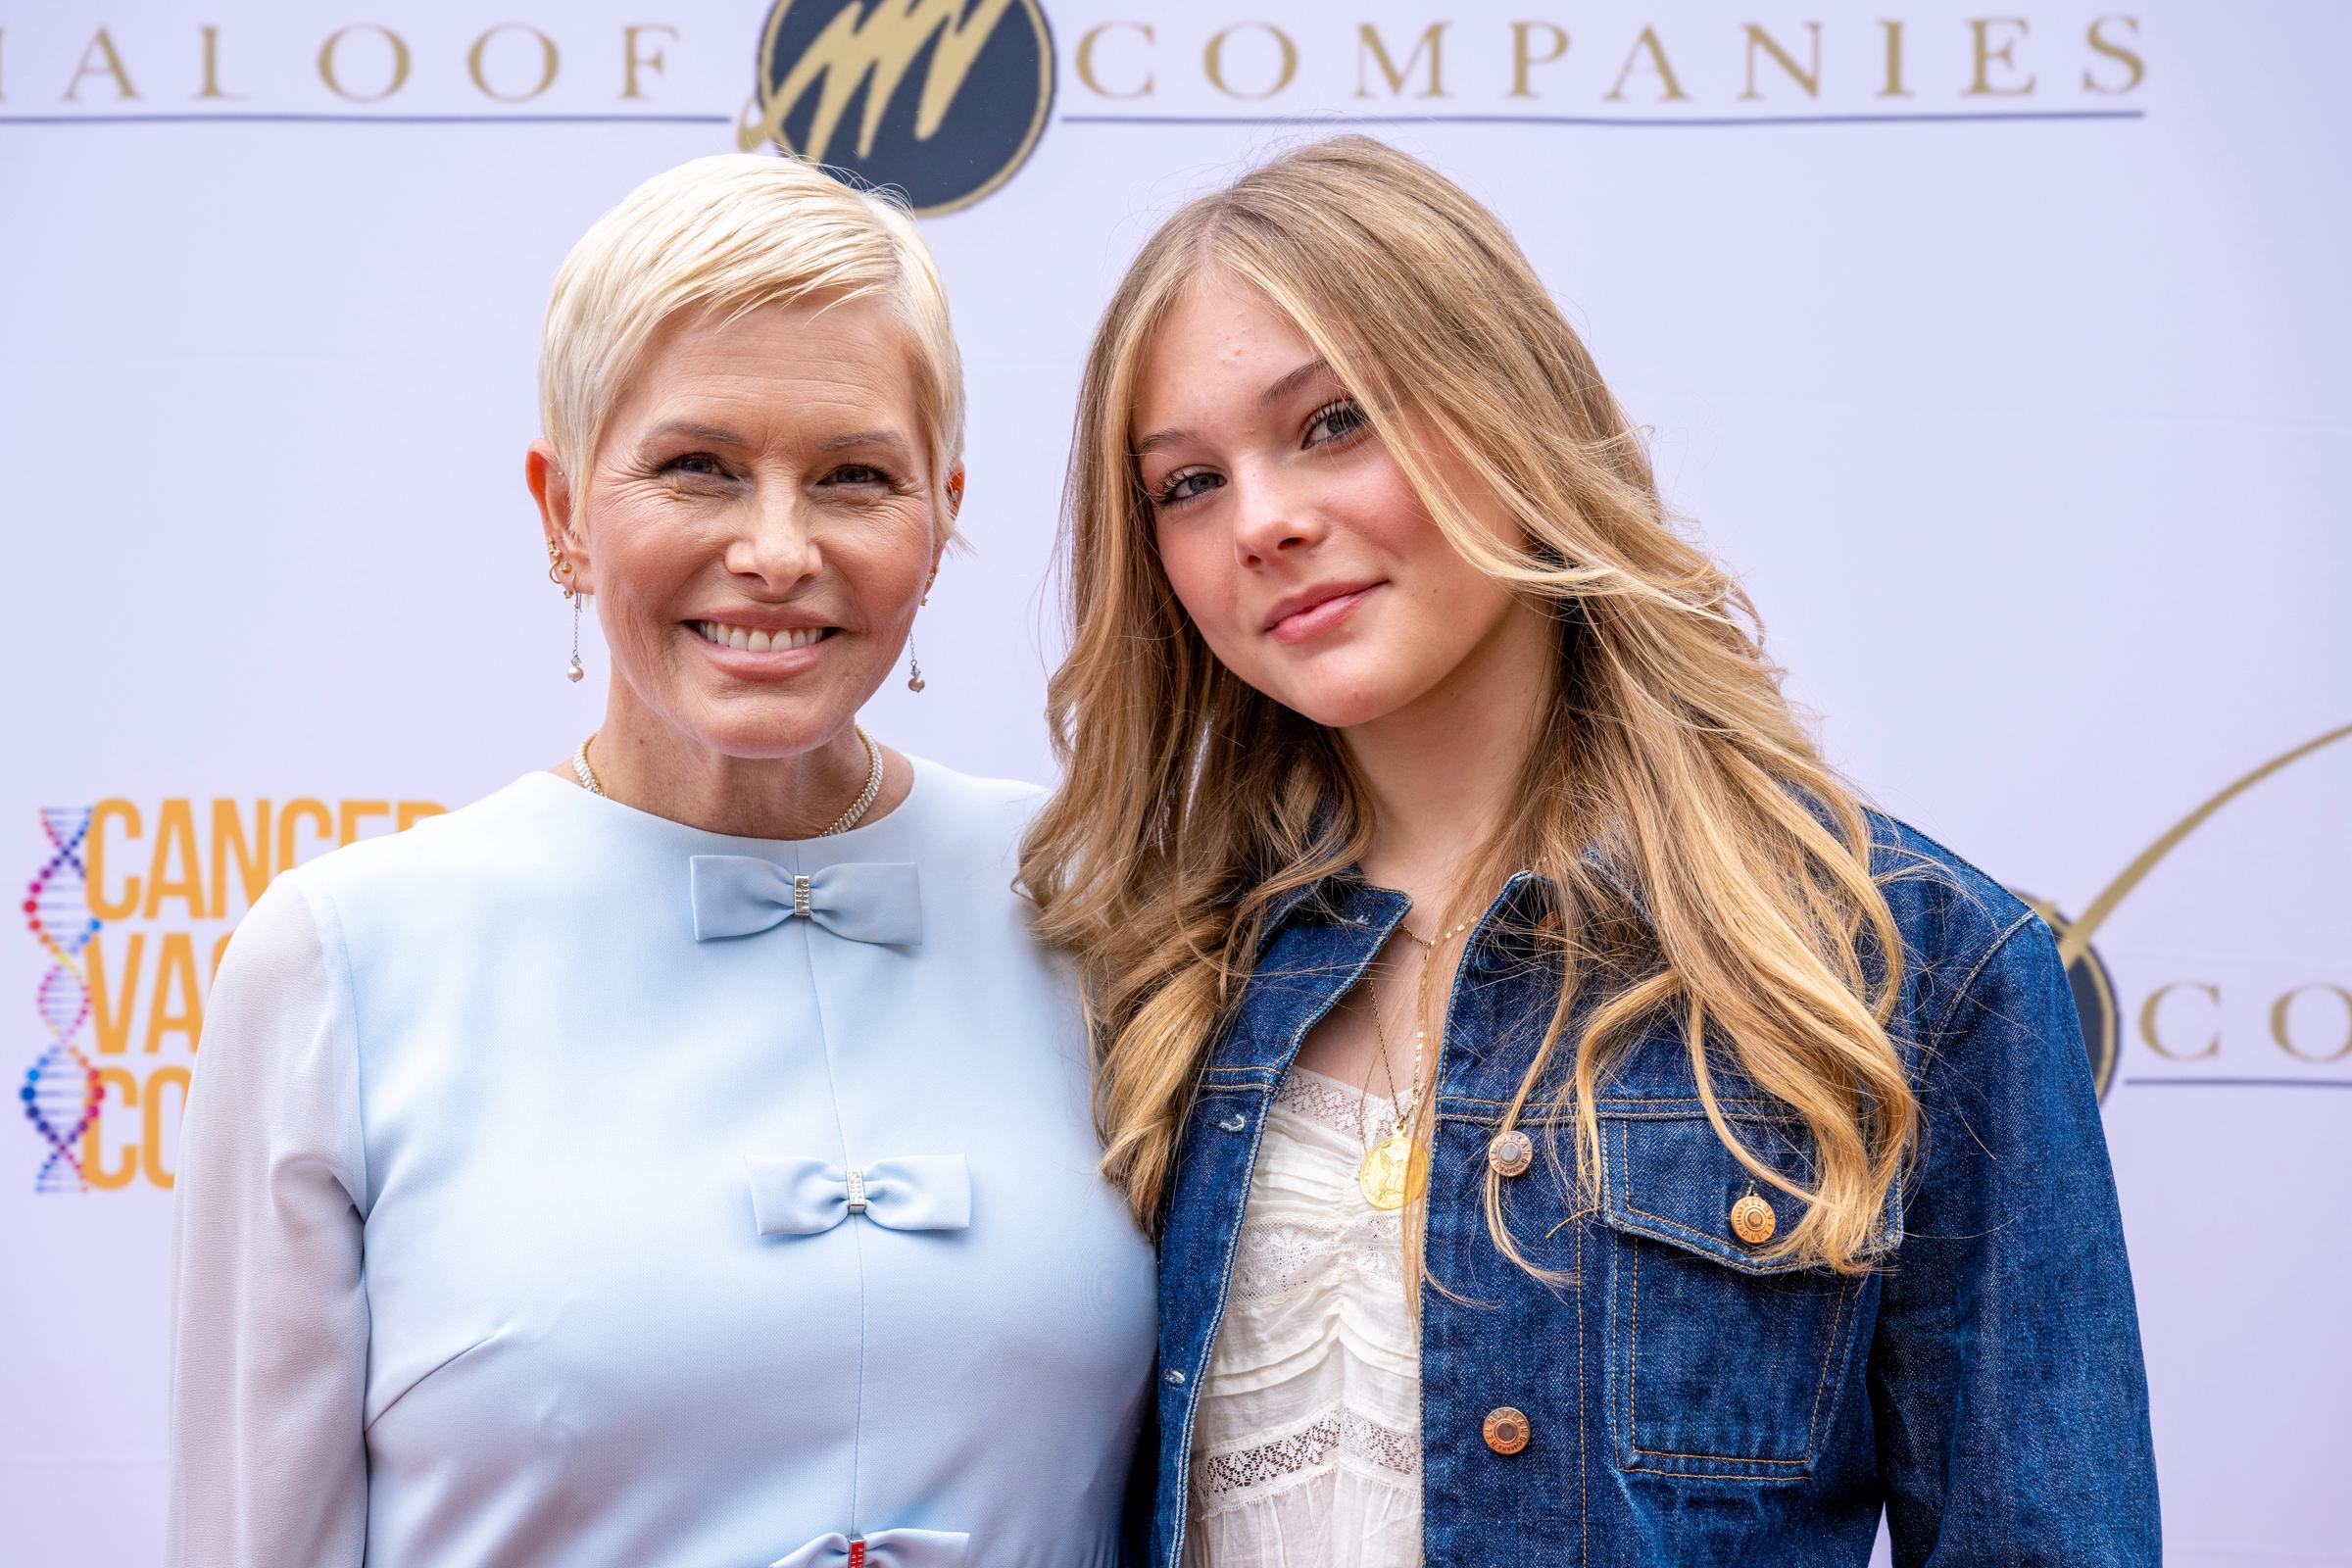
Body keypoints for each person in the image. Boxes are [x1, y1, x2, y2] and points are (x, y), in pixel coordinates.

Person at [1022, 135, 2158, 1566]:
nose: (1264, 522)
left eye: (1332, 423)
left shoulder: (1909, 963)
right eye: (1187, 485)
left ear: (1508, 408)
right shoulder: (1153, 963)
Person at [167, 153, 1155, 1568]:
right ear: (562, 510)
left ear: (939, 517)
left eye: (853, 478)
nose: (776, 548)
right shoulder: (342, 959)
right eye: (698, 467)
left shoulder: (1098, 899)